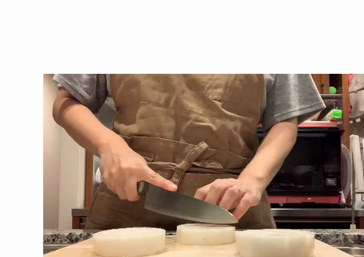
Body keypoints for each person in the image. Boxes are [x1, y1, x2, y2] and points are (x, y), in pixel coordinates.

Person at [52, 74, 325, 230]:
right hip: (126, 210)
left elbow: (285, 122)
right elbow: (66, 102)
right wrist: (109, 145)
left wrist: (252, 180)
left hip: (231, 211)